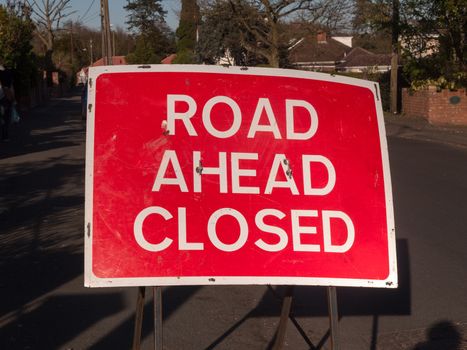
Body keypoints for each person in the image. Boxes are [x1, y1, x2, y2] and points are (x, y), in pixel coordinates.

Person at [0, 63, 15, 141]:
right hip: (5, 98)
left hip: (3, 96)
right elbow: (10, 87)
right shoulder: (7, 72)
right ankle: (5, 136)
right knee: (5, 118)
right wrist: (12, 98)